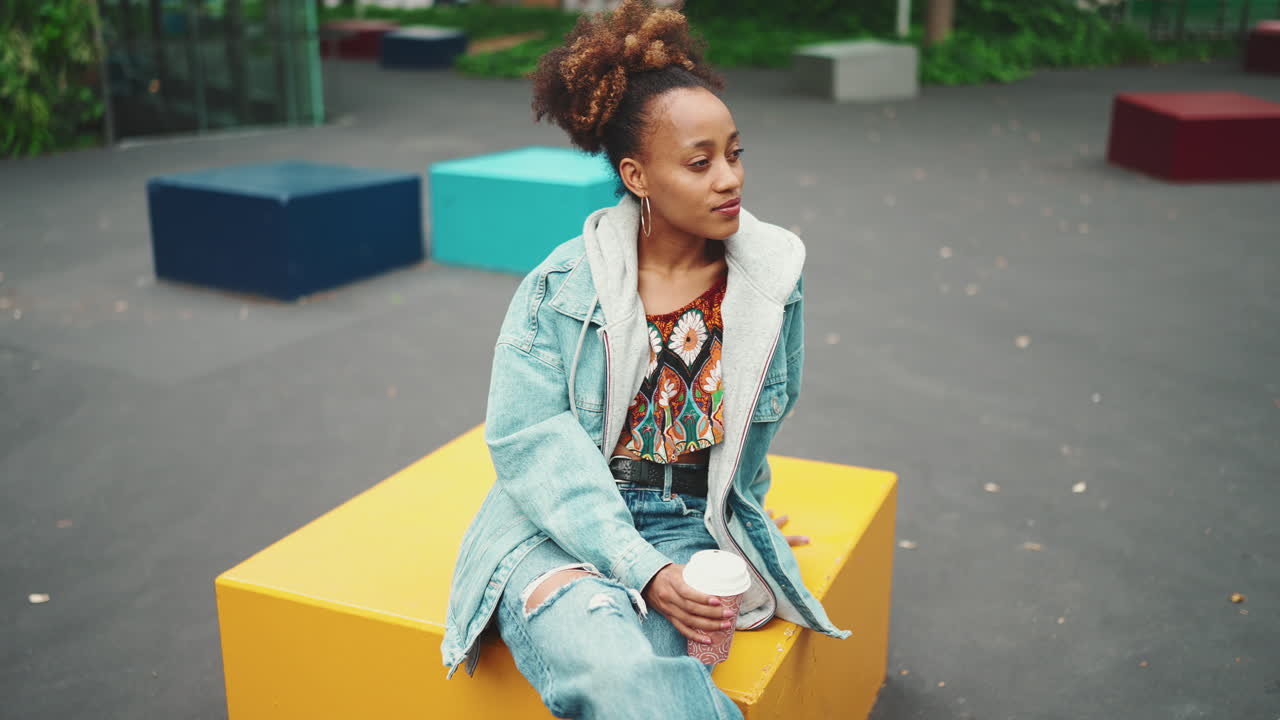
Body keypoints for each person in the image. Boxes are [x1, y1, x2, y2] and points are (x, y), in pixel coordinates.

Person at [440, 1, 851, 717]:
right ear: (636, 175)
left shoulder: (771, 281)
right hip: (557, 528)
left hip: (692, 525)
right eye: (699, 162)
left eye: (734, 153)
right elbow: (526, 439)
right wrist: (640, 569)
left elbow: (761, 422)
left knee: (654, 696)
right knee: (615, 674)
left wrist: (738, 509)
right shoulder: (561, 289)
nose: (729, 178)